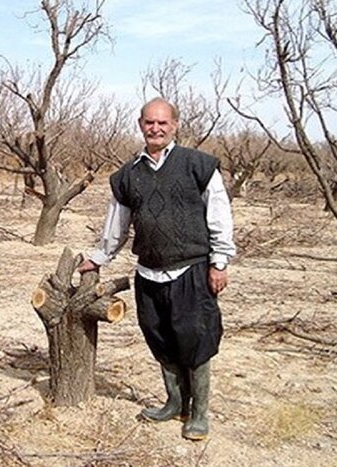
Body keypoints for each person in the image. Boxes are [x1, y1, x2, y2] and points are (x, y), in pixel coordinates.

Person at [78, 97, 235, 441]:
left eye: (163, 123)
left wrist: (219, 261)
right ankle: (174, 403)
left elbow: (219, 215)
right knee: (160, 339)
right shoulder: (128, 175)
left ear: (175, 125)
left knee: (196, 340)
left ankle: (199, 413)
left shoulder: (198, 165)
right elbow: (116, 225)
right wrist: (99, 257)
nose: (156, 128)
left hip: (191, 271)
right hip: (148, 273)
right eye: (150, 122)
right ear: (140, 124)